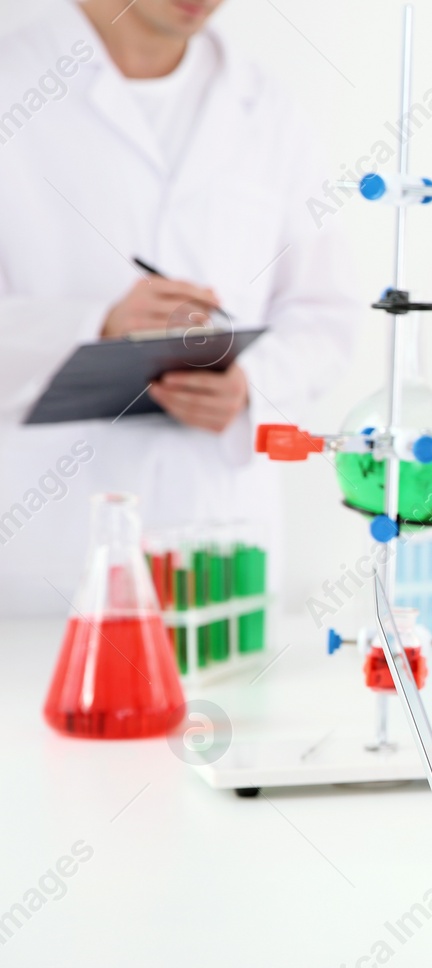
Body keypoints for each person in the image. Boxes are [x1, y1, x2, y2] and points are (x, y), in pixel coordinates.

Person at [0, 0, 361, 613]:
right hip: (39, 550)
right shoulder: (16, 79)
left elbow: (323, 312)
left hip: (214, 541)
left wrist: (251, 388)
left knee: (221, 704)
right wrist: (97, 326)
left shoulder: (266, 107)